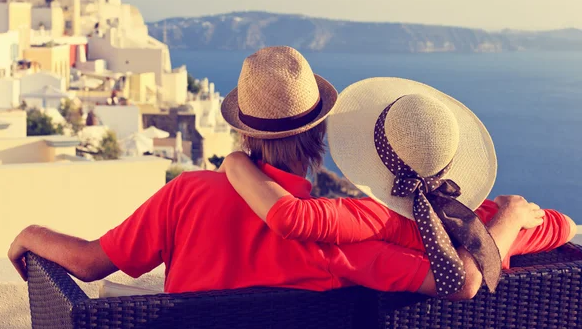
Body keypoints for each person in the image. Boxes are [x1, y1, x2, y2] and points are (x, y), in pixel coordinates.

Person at [7, 47, 569, 301]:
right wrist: (527, 220)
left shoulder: (185, 195)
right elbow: (465, 270)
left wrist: (32, 234)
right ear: (322, 133)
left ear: (244, 130)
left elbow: (89, 262)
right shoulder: (346, 232)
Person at [220, 77, 577, 294]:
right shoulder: (481, 220)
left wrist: (235, 161)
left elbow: (289, 217)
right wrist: (511, 216)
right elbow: (560, 226)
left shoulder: (366, 223)